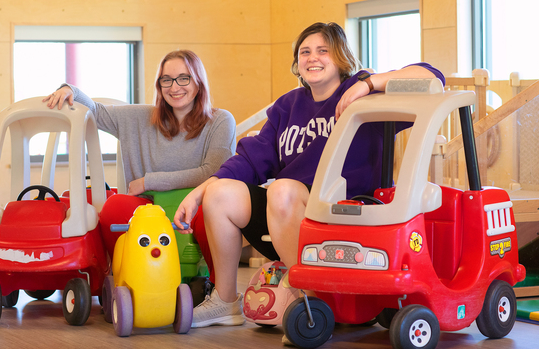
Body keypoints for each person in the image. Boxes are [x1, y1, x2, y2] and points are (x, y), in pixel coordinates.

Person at [173, 22, 445, 330]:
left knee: (282, 190)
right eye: (305, 52)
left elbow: (433, 76)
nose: (312, 58)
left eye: (322, 50)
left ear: (341, 57)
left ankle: (310, 302)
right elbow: (248, 161)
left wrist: (368, 84)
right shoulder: (287, 106)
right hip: (289, 221)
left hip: (348, 219)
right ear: (297, 62)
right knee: (220, 194)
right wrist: (198, 193)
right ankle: (225, 301)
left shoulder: (365, 97)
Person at [44, 50, 236, 261]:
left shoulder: (221, 120)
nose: (174, 87)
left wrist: (148, 182)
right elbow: (95, 112)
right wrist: (69, 89)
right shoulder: (139, 117)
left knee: (214, 212)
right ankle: (129, 272)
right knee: (114, 207)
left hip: (196, 204)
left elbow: (214, 172)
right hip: (147, 208)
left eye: (184, 78)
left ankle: (215, 278)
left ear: (198, 82)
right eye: (166, 80)